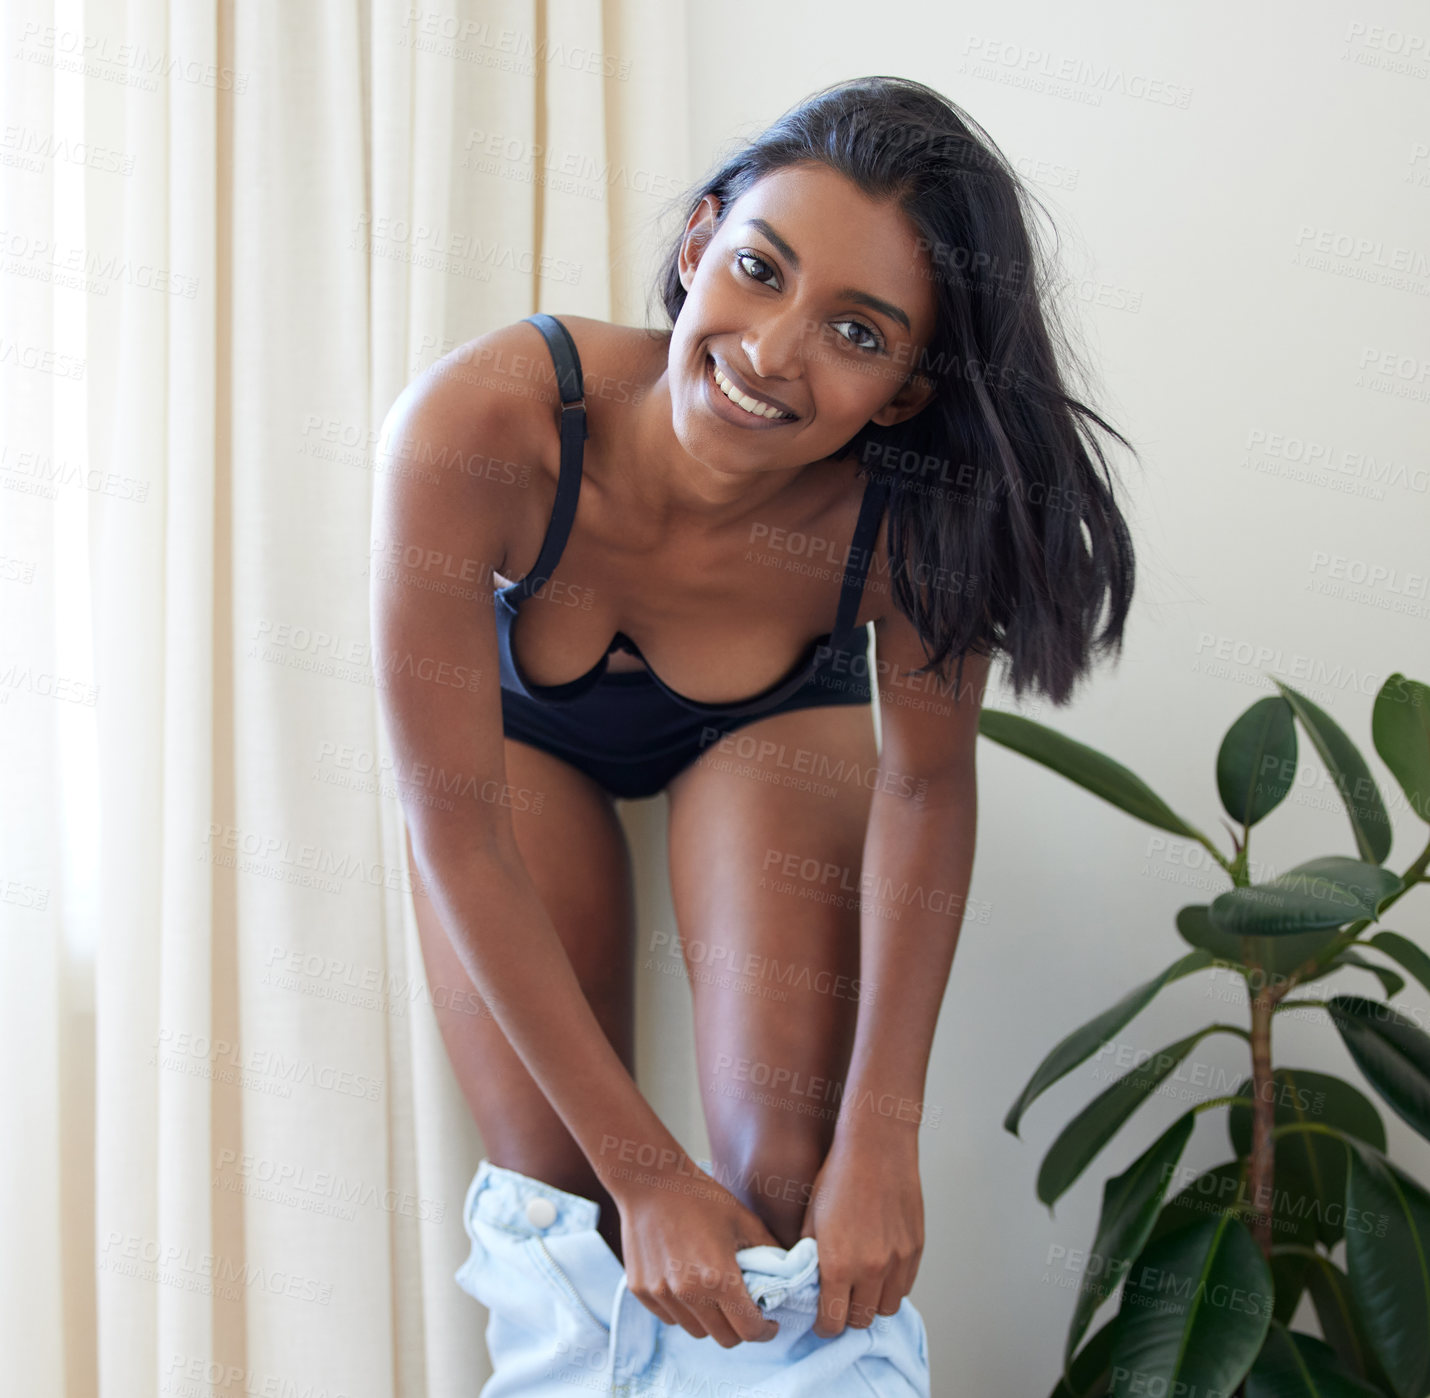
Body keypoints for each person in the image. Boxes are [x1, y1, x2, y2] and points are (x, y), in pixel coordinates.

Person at [371, 74, 1136, 1380]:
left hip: (766, 731)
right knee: (570, 1199)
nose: (773, 349)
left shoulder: (901, 529)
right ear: (697, 241)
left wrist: (879, 1141)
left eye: (855, 330)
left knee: (788, 1179)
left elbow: (924, 794)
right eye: (760, 268)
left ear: (901, 390)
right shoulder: (484, 424)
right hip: (516, 752)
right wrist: (646, 1173)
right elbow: (454, 823)